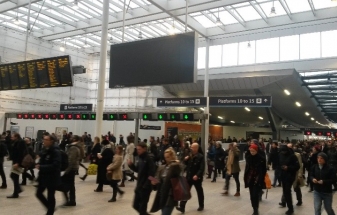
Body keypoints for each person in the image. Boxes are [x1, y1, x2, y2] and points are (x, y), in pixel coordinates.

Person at [150, 147, 182, 215]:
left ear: (172, 157)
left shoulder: (175, 166)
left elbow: (178, 169)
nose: (166, 159)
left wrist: (175, 161)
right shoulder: (162, 167)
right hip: (162, 194)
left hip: (170, 195)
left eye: (168, 157)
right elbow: (159, 180)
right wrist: (153, 181)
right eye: (165, 157)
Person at [35, 134, 61, 215]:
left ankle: (50, 212)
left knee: (50, 195)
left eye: (46, 140)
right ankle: (50, 207)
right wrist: (39, 163)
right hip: (43, 176)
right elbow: (43, 160)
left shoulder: (56, 151)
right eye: (44, 139)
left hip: (52, 177)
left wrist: (42, 167)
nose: (44, 141)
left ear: (51, 141)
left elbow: (56, 165)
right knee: (38, 193)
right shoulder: (45, 150)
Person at [128, 142, 156, 215]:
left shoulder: (149, 158)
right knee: (135, 205)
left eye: (139, 149)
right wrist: (131, 165)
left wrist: (146, 186)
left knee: (142, 208)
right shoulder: (140, 158)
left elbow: (152, 174)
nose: (138, 151)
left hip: (145, 188)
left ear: (144, 149)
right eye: (137, 149)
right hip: (139, 185)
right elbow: (138, 169)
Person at [176, 143, 205, 213]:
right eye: (191, 147)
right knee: (186, 191)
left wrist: (197, 175)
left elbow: (202, 168)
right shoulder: (190, 155)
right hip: (189, 177)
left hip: (196, 178)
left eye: (192, 147)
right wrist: (185, 160)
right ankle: (182, 207)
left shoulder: (200, 157)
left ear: (196, 148)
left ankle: (201, 205)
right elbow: (186, 165)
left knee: (199, 191)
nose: (191, 148)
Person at [244, 144, 266, 215]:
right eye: (251, 151)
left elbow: (264, 170)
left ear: (256, 151)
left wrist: (262, 178)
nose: (252, 152)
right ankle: (254, 208)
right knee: (251, 195)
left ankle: (256, 209)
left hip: (258, 178)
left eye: (253, 151)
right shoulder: (248, 158)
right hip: (250, 178)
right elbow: (247, 168)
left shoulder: (261, 159)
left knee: (255, 195)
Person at [278, 145, 300, 215]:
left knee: (287, 191)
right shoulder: (280, 155)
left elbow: (297, 166)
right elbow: (278, 164)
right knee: (285, 191)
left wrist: (288, 168)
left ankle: (290, 208)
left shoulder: (292, 156)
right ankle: (287, 205)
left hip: (290, 176)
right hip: (283, 176)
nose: (283, 153)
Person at [62, 135, 81, 206]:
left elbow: (71, 160)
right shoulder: (74, 147)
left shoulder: (73, 148)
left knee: (68, 185)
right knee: (71, 185)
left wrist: (66, 170)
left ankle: (70, 200)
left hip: (71, 168)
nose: (70, 138)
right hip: (73, 168)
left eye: (71, 138)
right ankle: (71, 200)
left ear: (74, 139)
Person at [7, 133, 26, 198]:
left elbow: (21, 153)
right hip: (15, 161)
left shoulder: (21, 142)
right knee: (14, 176)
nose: (11, 138)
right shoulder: (16, 142)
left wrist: (18, 163)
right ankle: (18, 190)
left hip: (18, 162)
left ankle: (16, 192)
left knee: (14, 176)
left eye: (12, 137)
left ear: (16, 137)